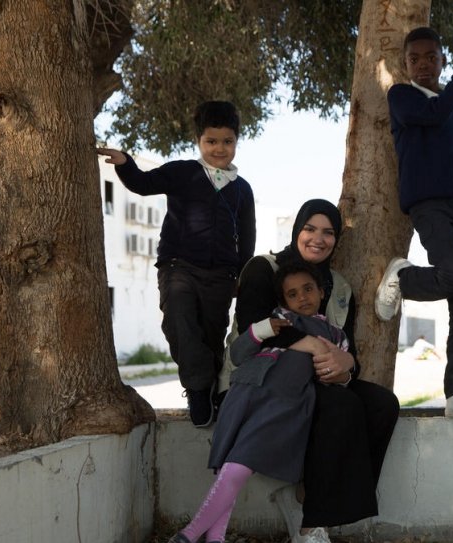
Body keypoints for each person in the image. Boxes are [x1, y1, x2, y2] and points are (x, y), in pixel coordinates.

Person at [231, 199, 400, 543]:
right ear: (297, 230)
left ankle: (315, 497)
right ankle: (311, 525)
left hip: (321, 379)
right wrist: (311, 344)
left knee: (383, 404)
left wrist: (348, 368)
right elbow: (254, 329)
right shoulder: (264, 268)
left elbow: (347, 345)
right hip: (269, 378)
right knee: (341, 406)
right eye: (310, 229)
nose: (318, 239)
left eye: (328, 232)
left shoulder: (338, 287)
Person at [98, 101, 256, 428]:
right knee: (179, 323)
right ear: (199, 141)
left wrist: (242, 275)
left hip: (222, 276)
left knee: (212, 335)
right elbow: (142, 184)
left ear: (236, 143)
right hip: (178, 267)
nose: (219, 148)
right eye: (211, 141)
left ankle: (211, 387)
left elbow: (248, 235)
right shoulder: (182, 172)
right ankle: (197, 388)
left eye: (227, 141)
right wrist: (125, 163)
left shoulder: (242, 190)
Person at [167, 262, 348, 543]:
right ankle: (215, 538)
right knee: (232, 466)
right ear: (283, 300)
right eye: (292, 294)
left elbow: (332, 372)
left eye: (308, 289)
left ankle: (190, 534)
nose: (302, 297)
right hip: (247, 394)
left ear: (322, 292)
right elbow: (239, 355)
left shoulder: (336, 336)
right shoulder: (277, 320)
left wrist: (334, 368)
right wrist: (262, 330)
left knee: (238, 466)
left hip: (283, 405)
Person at [376, 23, 453, 418]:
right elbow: (435, 114)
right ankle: (402, 277)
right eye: (414, 59)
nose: (422, 65)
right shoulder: (403, 96)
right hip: (429, 203)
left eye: (430, 57)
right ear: (405, 64)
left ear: (440, 60)